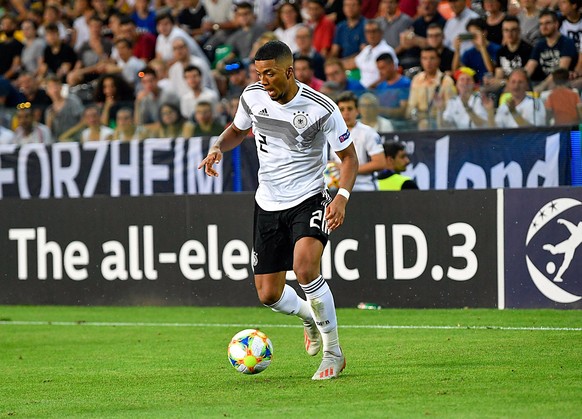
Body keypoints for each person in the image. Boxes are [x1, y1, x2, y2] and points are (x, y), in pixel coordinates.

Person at [198, 40, 358, 380]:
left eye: (269, 73)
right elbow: (238, 131)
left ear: (289, 71)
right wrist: (217, 147)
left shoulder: (322, 108)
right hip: (268, 202)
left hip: (309, 198)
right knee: (268, 294)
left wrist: (341, 196)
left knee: (304, 268)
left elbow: (349, 158)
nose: (263, 80)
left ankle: (333, 352)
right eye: (258, 73)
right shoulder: (252, 97)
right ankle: (308, 317)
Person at [330, 91, 385, 191]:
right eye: (342, 109)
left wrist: (346, 169)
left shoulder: (368, 132)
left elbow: (380, 163)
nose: (346, 113)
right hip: (338, 187)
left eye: (350, 109)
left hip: (364, 187)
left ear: (357, 111)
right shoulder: (332, 133)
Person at [525, 10, 578, 86]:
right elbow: (529, 67)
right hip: (543, 82)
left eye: (547, 23)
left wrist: (541, 87)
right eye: (541, 24)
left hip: (562, 83)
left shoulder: (566, 42)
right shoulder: (540, 44)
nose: (544, 27)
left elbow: (560, 71)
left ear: (556, 24)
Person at [406, 47, 455, 127]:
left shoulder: (446, 81)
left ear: (438, 60)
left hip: (441, 124)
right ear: (421, 60)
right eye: (424, 58)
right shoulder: (417, 79)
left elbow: (451, 109)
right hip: (420, 124)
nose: (428, 62)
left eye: (432, 58)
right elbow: (411, 105)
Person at [343, 19, 398, 89]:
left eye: (374, 31)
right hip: (362, 90)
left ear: (381, 32)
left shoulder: (387, 50)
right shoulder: (367, 50)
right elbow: (352, 63)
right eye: (368, 32)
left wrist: (370, 88)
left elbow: (389, 74)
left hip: (378, 90)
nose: (371, 35)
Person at [452, 18, 501, 83]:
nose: (473, 37)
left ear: (484, 33)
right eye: (470, 34)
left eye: (475, 34)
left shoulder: (497, 49)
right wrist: (457, 51)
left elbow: (491, 70)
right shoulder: (468, 53)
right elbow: (456, 71)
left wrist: (482, 47)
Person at [374, 52, 411, 119]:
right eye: (379, 69)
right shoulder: (380, 86)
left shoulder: (405, 84)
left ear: (392, 65)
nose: (380, 72)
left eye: (382, 68)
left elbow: (403, 111)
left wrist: (378, 110)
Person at [494, 16, 532, 80]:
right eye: (506, 30)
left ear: (519, 30)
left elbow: (525, 77)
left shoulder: (528, 50)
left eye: (513, 30)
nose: (509, 34)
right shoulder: (500, 51)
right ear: (502, 32)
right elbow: (498, 77)